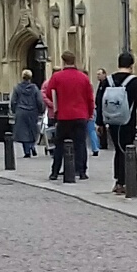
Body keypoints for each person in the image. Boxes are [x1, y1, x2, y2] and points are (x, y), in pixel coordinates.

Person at [98, 52, 137, 195]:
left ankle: (118, 181)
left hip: (112, 121)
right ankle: (125, 181)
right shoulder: (134, 81)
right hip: (127, 121)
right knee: (127, 149)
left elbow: (100, 102)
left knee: (118, 150)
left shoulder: (107, 81)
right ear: (131, 65)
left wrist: (100, 123)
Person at [42, 54, 95, 184]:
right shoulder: (83, 78)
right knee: (80, 144)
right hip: (81, 115)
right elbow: (90, 98)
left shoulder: (57, 77)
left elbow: (49, 93)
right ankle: (81, 171)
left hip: (64, 115)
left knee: (59, 145)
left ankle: (55, 172)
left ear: (63, 62)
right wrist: (89, 113)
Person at [9, 71, 44, 159]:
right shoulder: (35, 88)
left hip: (21, 111)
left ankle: (27, 151)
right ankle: (32, 146)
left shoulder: (17, 88)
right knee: (32, 130)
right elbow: (39, 101)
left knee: (23, 132)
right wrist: (41, 110)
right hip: (32, 111)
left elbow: (13, 101)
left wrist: (14, 110)